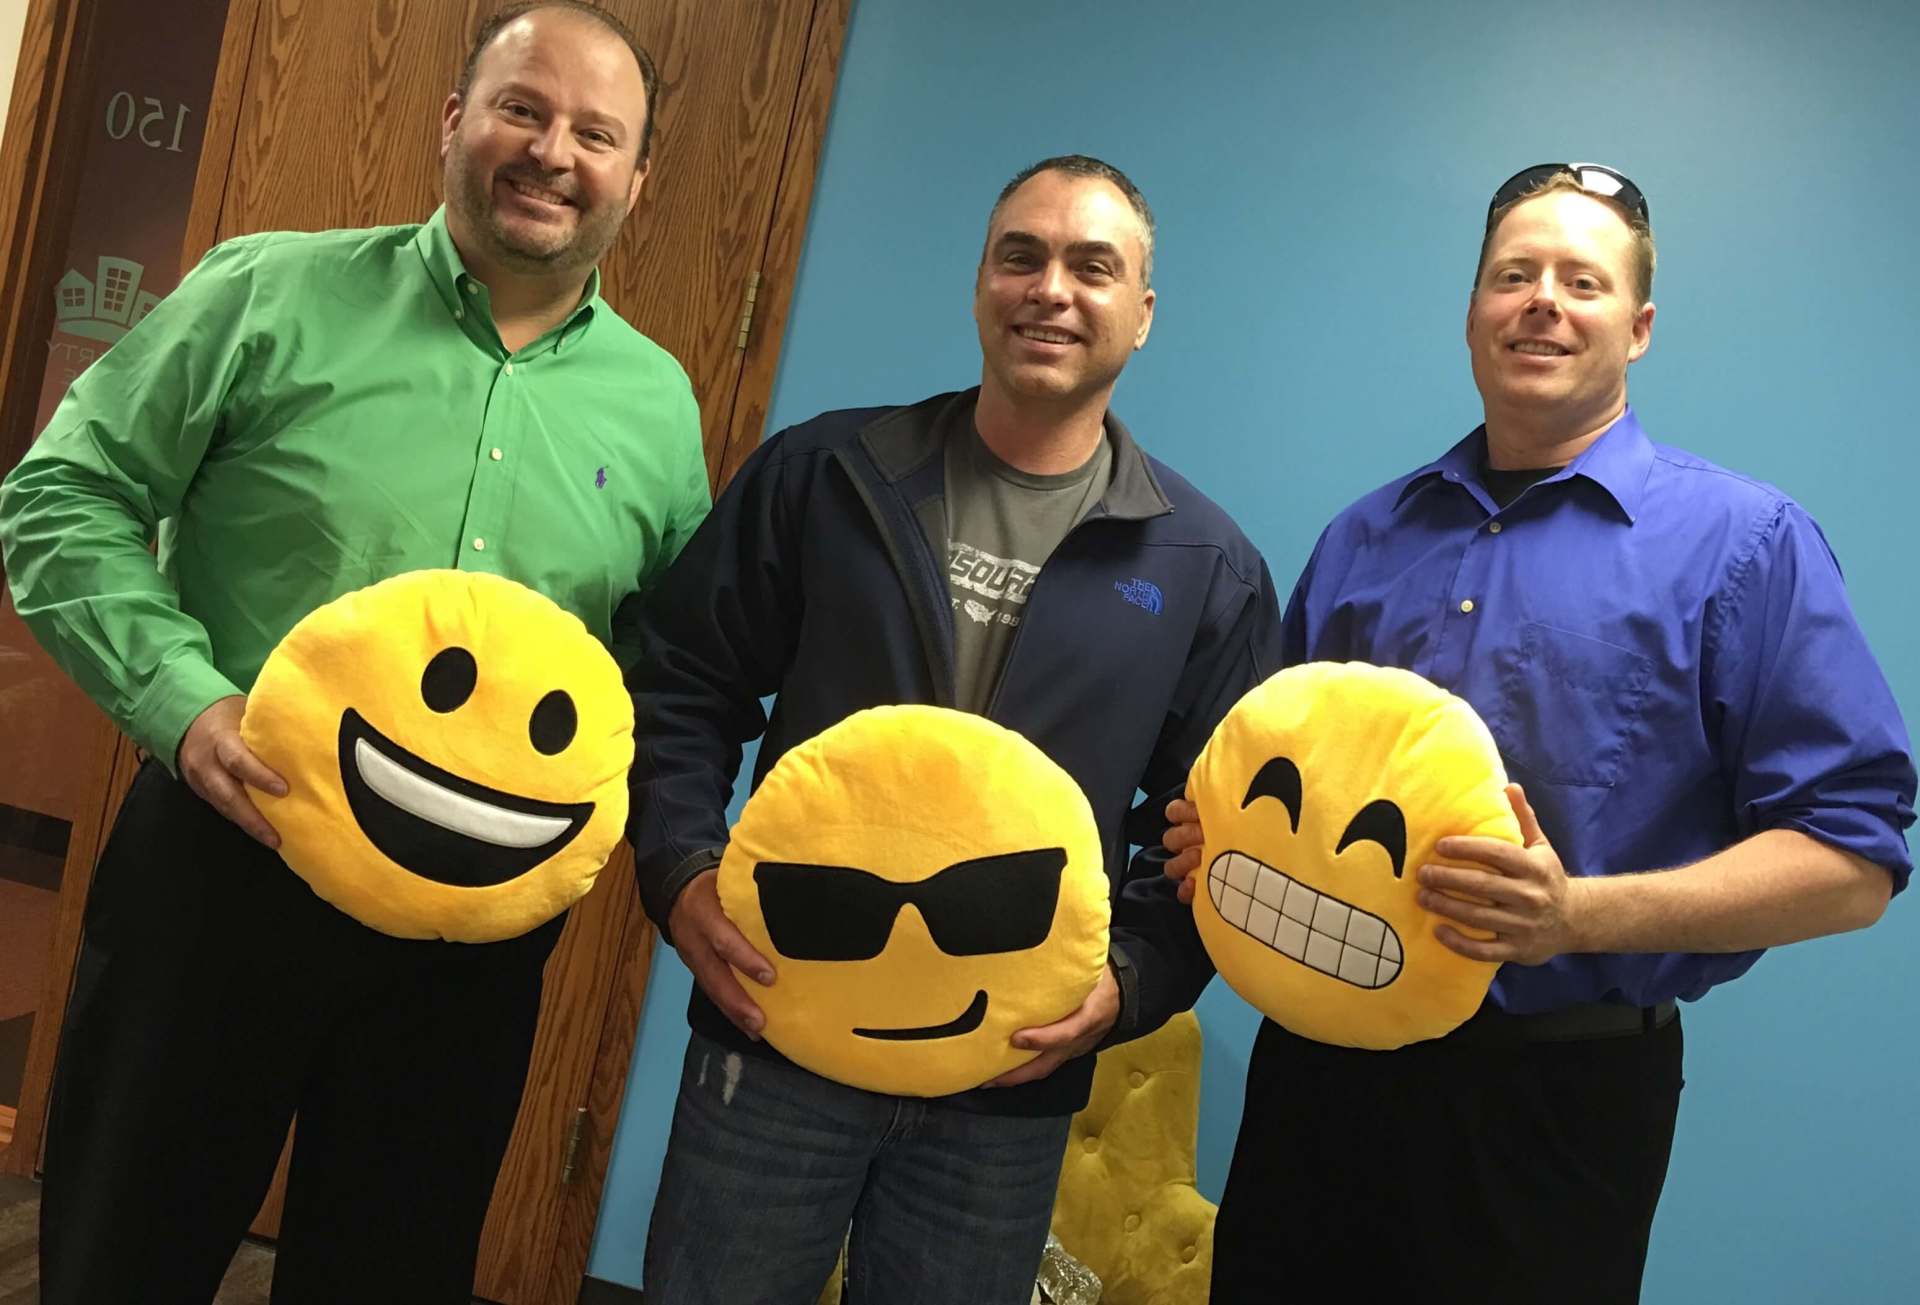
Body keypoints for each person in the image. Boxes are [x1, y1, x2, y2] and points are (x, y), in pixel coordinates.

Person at [0, 4, 708, 1301]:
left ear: (638, 178)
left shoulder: (660, 406)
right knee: (124, 1250)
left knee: (391, 1270)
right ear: (453, 122)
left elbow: (657, 661)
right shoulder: (267, 291)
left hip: (474, 931)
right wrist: (188, 703)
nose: (554, 150)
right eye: (522, 109)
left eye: (595, 133)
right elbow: (60, 496)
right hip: (223, 871)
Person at [1164, 162, 1916, 1303]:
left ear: (1640, 326)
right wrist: (1213, 852)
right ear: (1474, 310)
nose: (1543, 302)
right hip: (1319, 1083)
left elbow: (1854, 863)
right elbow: (1279, 788)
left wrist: (1577, 918)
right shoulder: (1366, 538)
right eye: (1514, 275)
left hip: (1558, 1111)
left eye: (1583, 280)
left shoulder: (1746, 546)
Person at [625, 153, 1279, 1303]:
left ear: (1143, 314)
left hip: (1007, 1085)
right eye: (1019, 256)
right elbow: (679, 683)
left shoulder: (1205, 569)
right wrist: (682, 871)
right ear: (981, 280)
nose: (1050, 289)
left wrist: (1130, 981)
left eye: (1093, 266)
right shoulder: (829, 475)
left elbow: (1209, 839)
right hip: (783, 1030)